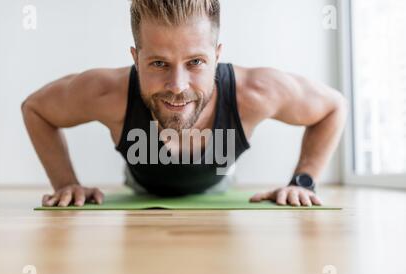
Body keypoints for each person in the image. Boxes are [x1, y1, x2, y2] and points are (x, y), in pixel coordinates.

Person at [21, 0, 347, 207]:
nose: (177, 86)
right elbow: (35, 109)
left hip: (219, 180)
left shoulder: (255, 91)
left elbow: (333, 107)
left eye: (195, 62)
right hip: (140, 184)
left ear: (217, 57)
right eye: (159, 64)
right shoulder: (107, 92)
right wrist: (66, 184)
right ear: (136, 59)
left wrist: (302, 181)